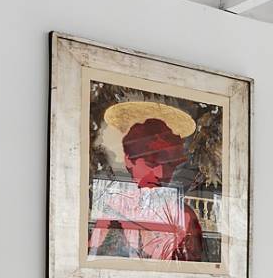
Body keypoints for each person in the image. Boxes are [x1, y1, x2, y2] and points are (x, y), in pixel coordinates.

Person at [86, 102, 205, 261]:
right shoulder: (112, 209)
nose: (161, 173)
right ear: (129, 160)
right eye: (151, 163)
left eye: (169, 164)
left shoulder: (184, 215)